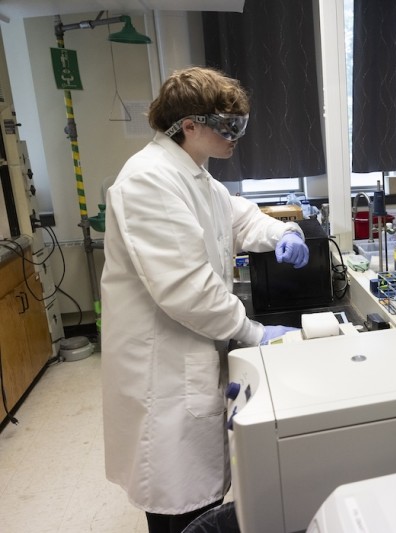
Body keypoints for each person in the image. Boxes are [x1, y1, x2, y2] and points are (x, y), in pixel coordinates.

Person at [101, 66, 310, 533]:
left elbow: (240, 219)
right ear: (188, 126)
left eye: (241, 124)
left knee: (200, 491)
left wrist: (286, 231)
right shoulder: (148, 180)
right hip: (164, 370)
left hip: (194, 357)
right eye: (227, 126)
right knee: (178, 501)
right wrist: (255, 332)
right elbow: (187, 288)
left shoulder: (198, 178)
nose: (236, 136)